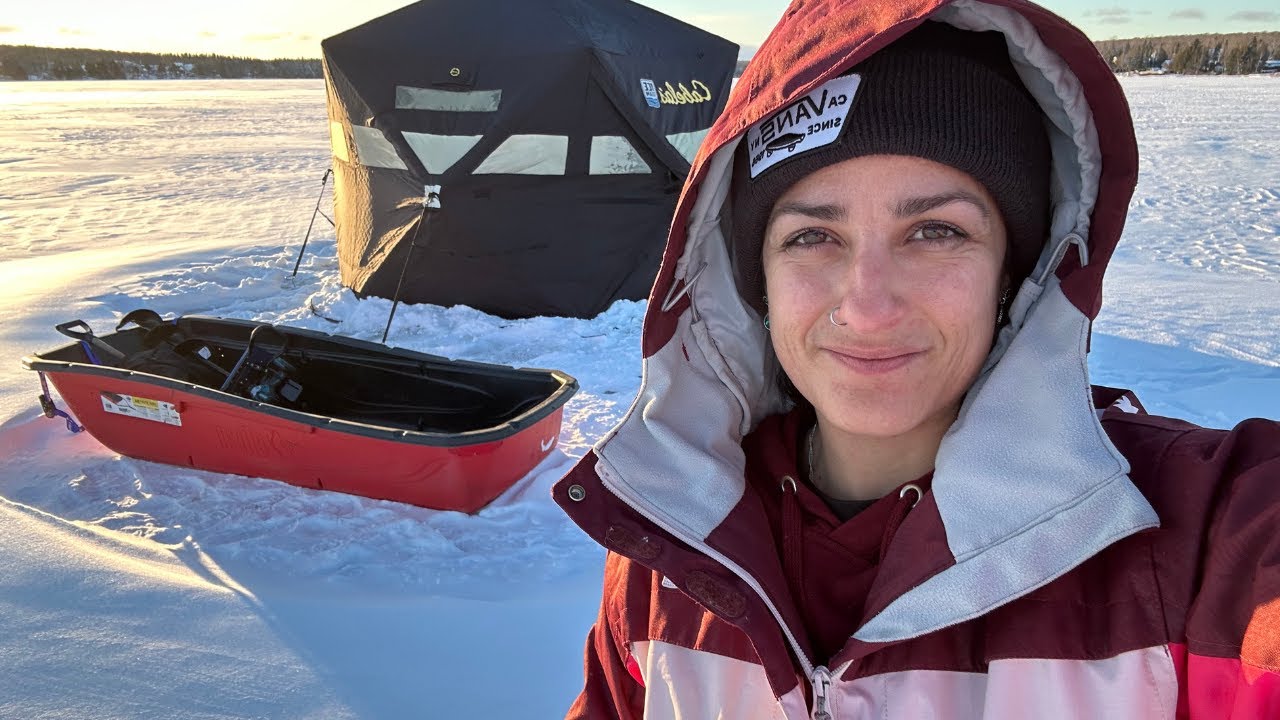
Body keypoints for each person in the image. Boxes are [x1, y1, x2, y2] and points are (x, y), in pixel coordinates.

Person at [553, 0, 1280, 717]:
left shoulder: (1197, 540)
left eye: (935, 231)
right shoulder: (678, 544)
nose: (868, 306)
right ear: (755, 282)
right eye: (811, 237)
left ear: (1012, 274)